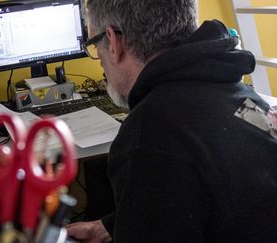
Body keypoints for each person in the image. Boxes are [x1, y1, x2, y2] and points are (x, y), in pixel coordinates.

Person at [66, 0, 277, 242]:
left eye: (95, 45)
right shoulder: (238, 92)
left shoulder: (150, 135)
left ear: (113, 42)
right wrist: (113, 225)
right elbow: (229, 199)